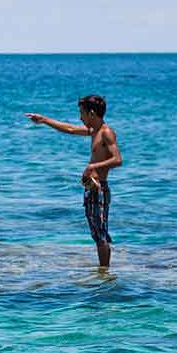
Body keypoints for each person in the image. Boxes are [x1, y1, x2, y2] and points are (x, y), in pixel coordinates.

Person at [25, 95, 123, 269]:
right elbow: (69, 129)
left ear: (92, 113)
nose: (80, 118)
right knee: (96, 234)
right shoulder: (94, 131)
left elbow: (117, 160)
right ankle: (103, 273)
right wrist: (44, 120)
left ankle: (105, 273)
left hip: (100, 189)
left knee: (100, 235)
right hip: (92, 189)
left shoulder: (106, 133)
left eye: (82, 113)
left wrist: (93, 166)